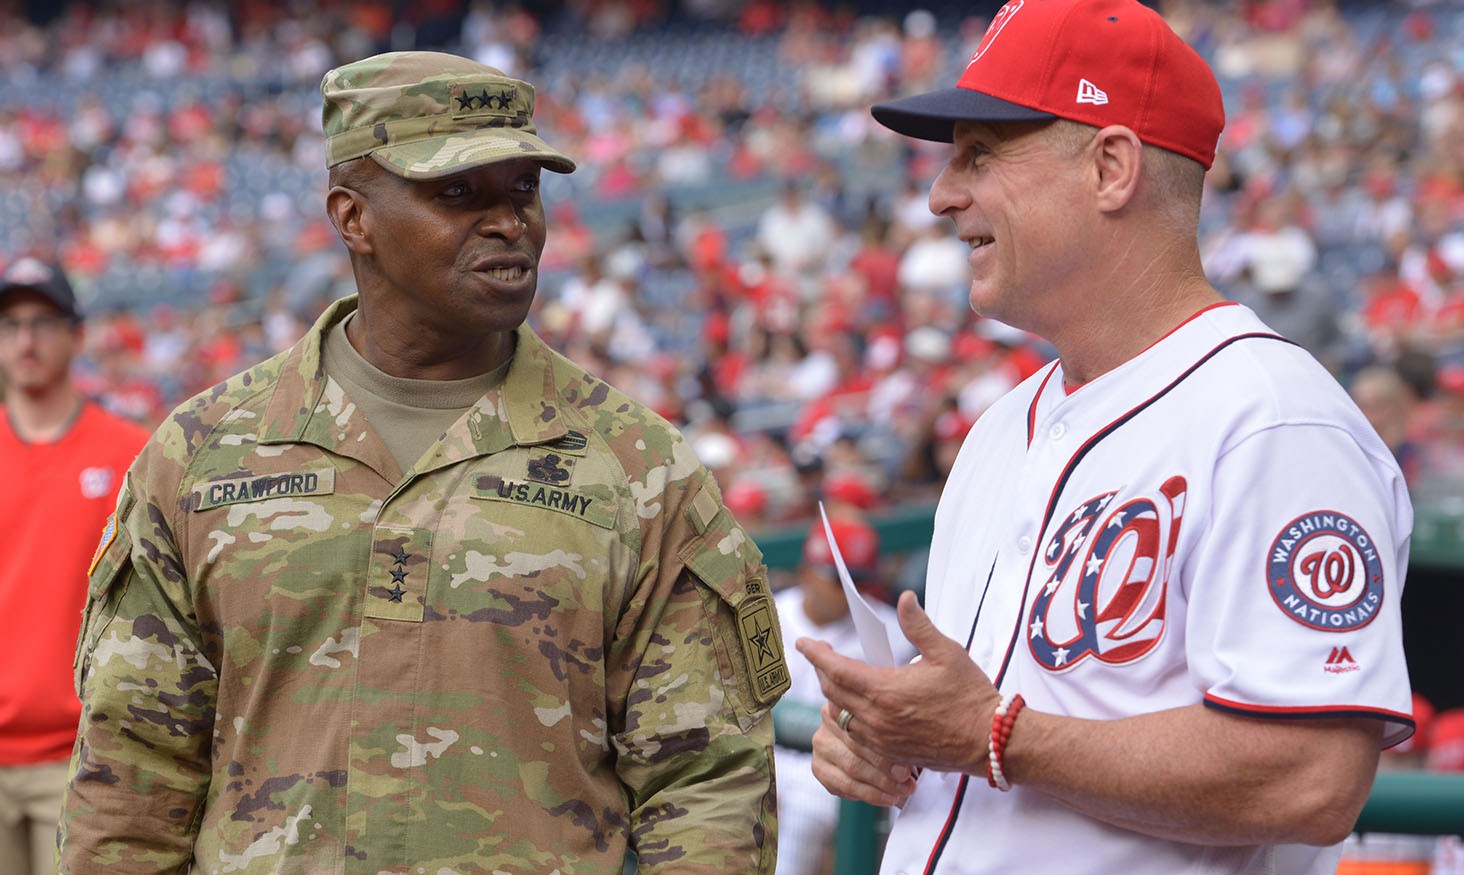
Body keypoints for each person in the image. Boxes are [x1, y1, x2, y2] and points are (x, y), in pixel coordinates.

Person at [58, 51, 789, 874]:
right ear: (354, 218)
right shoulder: (202, 453)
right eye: (458, 194)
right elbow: (133, 772)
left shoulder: (639, 467)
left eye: (523, 189)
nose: (510, 222)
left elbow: (707, 785)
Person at [794, 2, 1414, 874]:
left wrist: (991, 733)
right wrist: (889, 744)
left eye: (980, 153)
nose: (942, 194)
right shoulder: (1001, 426)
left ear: (1112, 166)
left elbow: (1311, 778)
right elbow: (985, 724)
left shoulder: (1272, 421)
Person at [0, 257, 149, 875]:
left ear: (76, 335)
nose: (26, 340)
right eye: (9, 324)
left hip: (86, 758)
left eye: (42, 322)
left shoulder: (130, 453)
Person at [773, 512, 916, 875]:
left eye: (859, 581)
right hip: (768, 756)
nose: (851, 592)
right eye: (839, 580)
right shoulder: (767, 616)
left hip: (828, 768)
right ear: (807, 571)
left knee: (806, 813)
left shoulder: (888, 632)